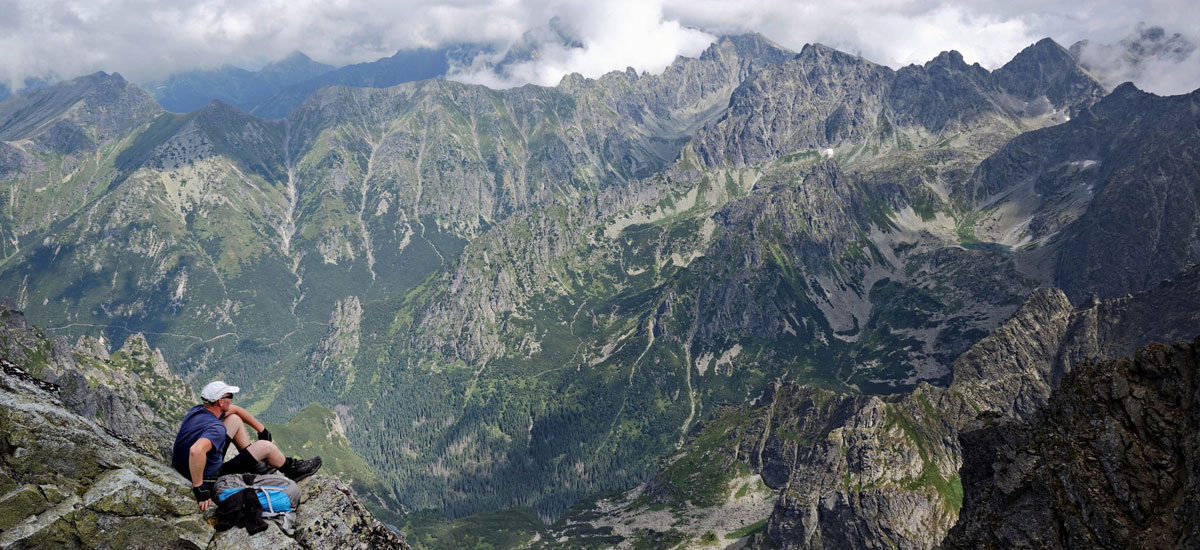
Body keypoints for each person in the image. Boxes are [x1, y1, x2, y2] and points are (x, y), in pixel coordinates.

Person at [172, 381, 321, 511]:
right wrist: (199, 488)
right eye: (229, 396)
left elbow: (235, 410)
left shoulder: (198, 410)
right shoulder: (217, 429)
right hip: (210, 478)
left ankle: (257, 465)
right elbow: (196, 450)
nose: (231, 399)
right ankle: (291, 469)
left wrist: (261, 429)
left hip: (186, 466)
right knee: (265, 446)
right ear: (220, 402)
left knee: (235, 419)